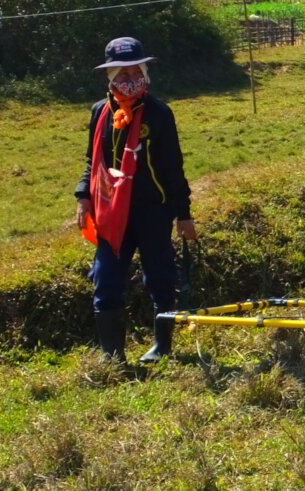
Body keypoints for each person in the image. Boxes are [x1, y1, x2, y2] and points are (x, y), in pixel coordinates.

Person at [75, 37, 196, 364]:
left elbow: (173, 168)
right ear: (110, 77)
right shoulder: (100, 113)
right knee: (106, 276)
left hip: (153, 211)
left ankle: (162, 346)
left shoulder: (159, 114)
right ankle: (112, 355)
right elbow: (92, 160)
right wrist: (83, 196)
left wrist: (183, 214)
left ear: (144, 72)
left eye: (134, 71)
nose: (129, 79)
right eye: (121, 73)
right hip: (111, 212)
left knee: (159, 276)